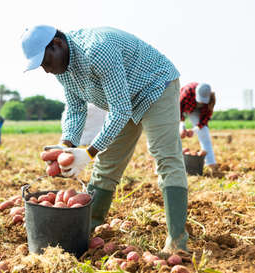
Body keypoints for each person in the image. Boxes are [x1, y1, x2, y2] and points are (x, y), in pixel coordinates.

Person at [22, 25, 188, 254]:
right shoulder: (63, 70)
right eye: (41, 66)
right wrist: (66, 145)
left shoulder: (97, 51)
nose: (47, 70)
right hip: (123, 100)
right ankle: (86, 229)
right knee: (106, 166)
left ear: (57, 44)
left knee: (166, 158)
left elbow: (119, 111)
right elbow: (75, 109)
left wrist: (89, 152)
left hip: (155, 86)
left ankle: (178, 242)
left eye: (45, 61)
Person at [180, 82, 217, 169]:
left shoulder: (210, 99)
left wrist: (194, 130)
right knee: (175, 130)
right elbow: (177, 110)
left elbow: (204, 120)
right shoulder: (187, 92)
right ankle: (175, 160)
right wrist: (182, 127)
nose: (201, 102)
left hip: (197, 111)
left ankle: (211, 163)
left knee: (204, 132)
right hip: (185, 107)